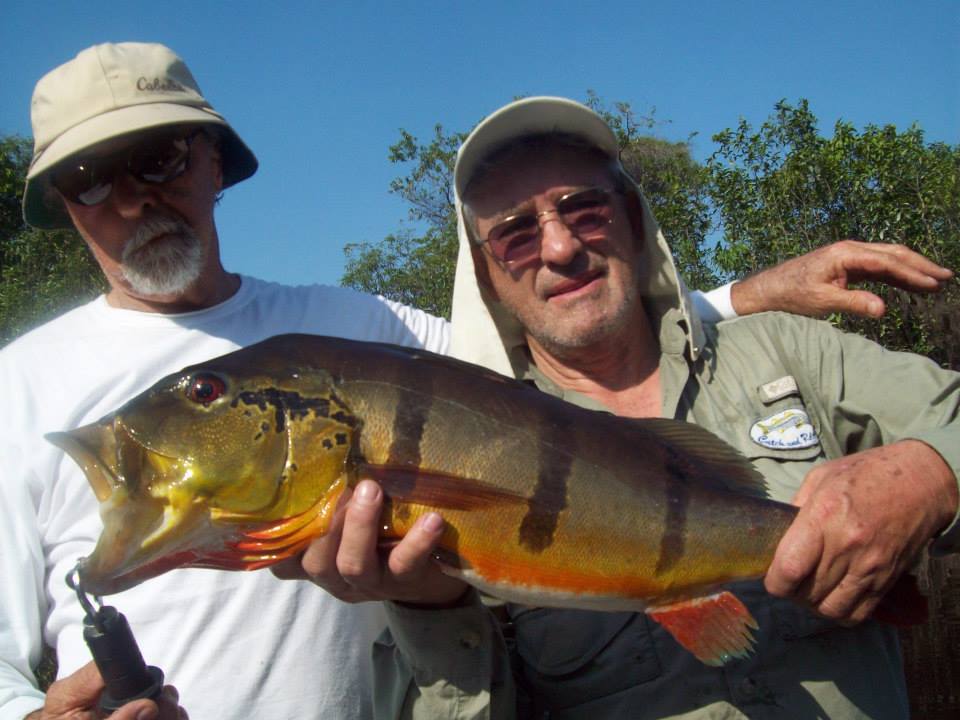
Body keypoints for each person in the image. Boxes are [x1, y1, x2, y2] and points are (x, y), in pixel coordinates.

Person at [0, 43, 948, 719]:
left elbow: (566, 341)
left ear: (213, 163)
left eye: (159, 156)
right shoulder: (20, 389)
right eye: (91, 178)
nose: (132, 194)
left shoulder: (357, 324)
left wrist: (751, 299)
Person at [292, 97, 960, 719]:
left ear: (635, 222)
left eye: (584, 210)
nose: (560, 248)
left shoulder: (791, 350)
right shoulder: (453, 447)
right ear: (486, 274)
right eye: (516, 233)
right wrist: (430, 609)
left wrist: (930, 473)